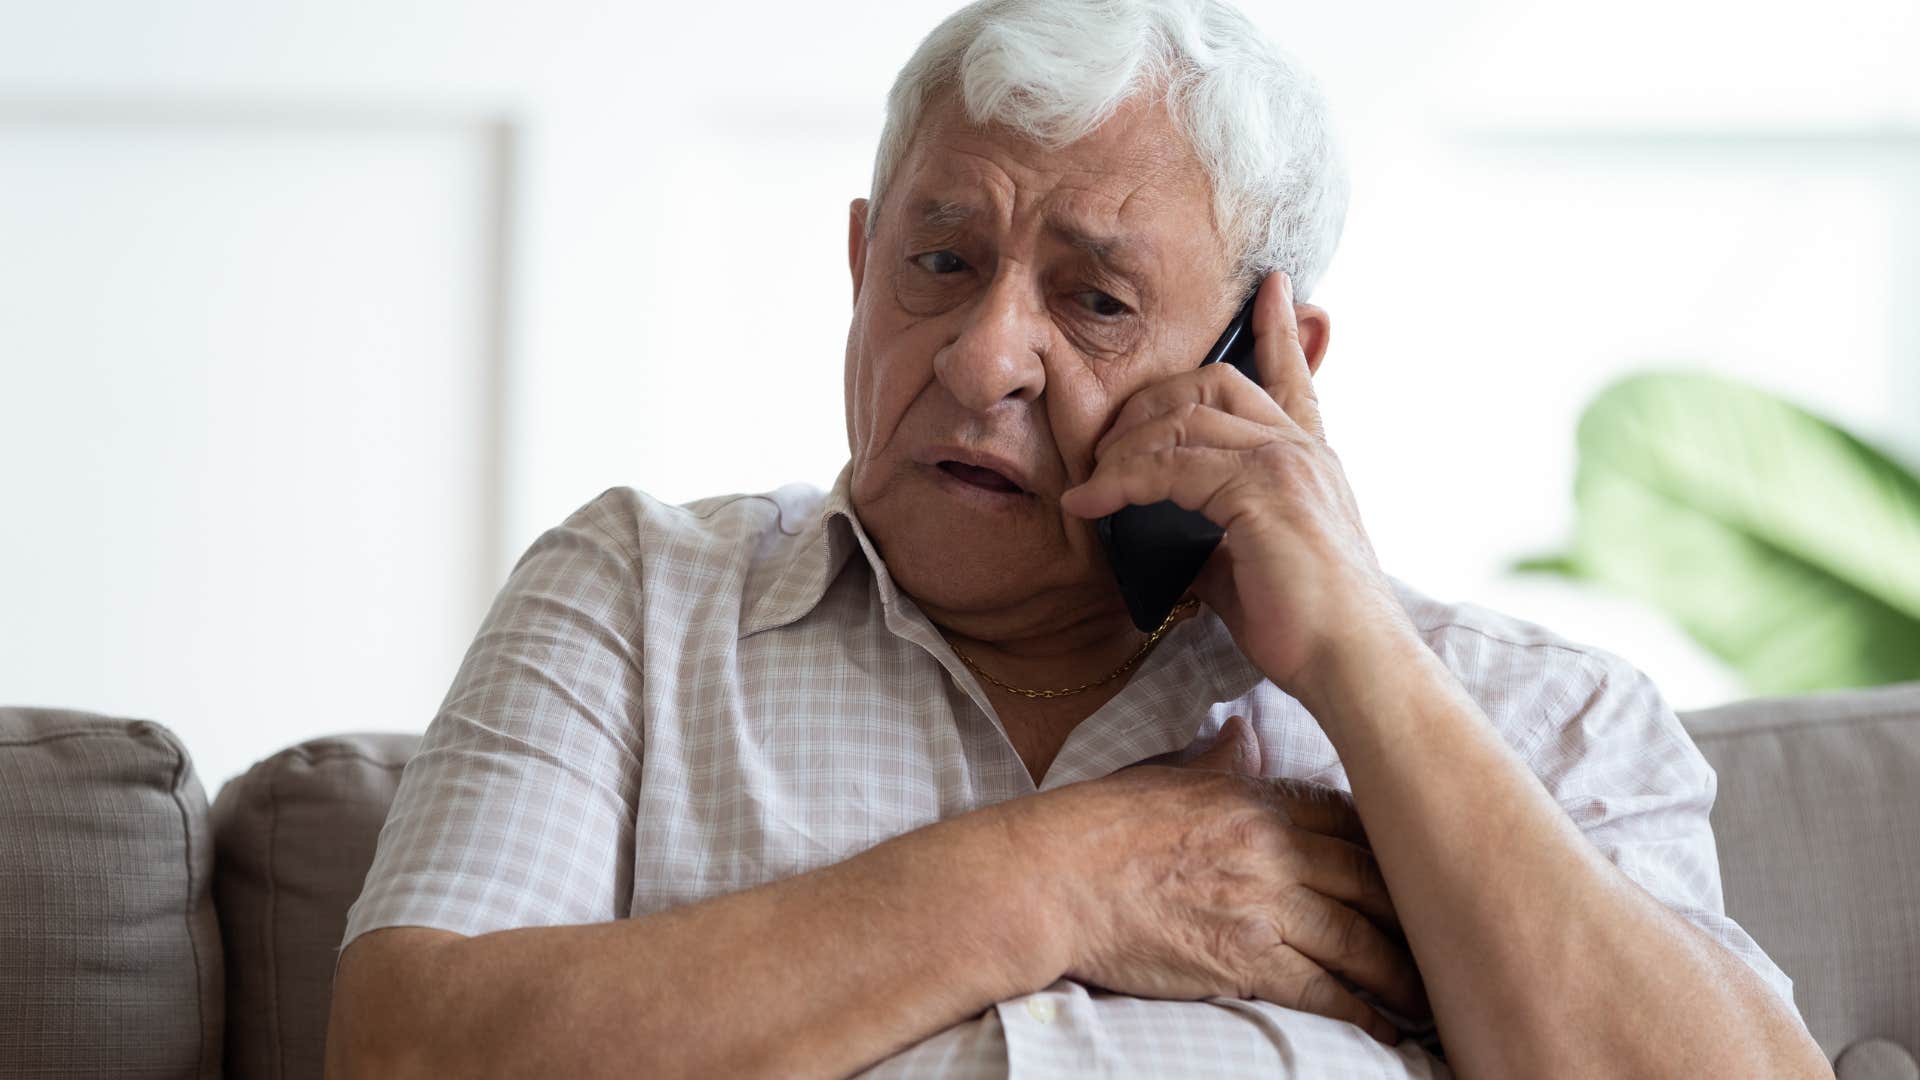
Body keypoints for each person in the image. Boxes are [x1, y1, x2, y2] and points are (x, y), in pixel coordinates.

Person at [325, 0, 1828, 1075]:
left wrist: (1363, 659)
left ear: (1266, 359)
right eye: (939, 260)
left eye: (1097, 300)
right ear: (861, 266)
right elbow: (411, 1055)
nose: (984, 358)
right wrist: (1069, 878)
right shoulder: (638, 602)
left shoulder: (1533, 718)